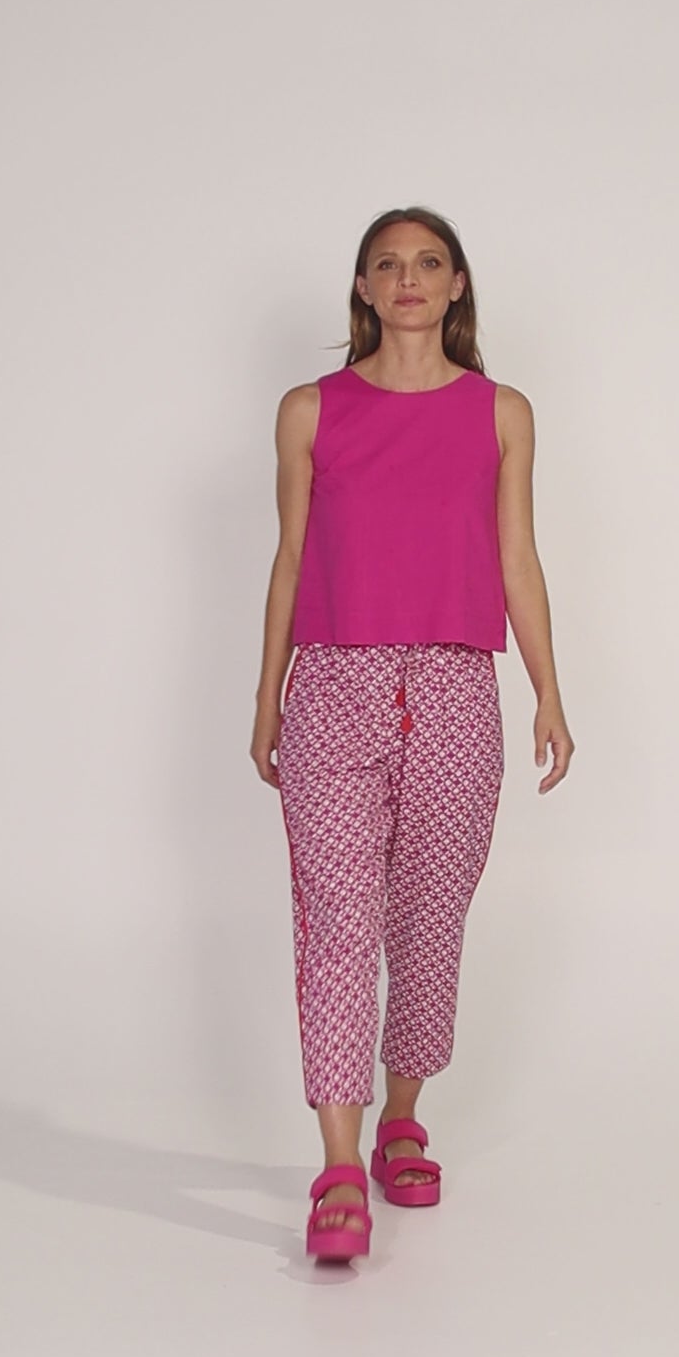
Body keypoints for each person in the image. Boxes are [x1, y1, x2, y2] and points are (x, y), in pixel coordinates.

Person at [250, 205, 574, 1262]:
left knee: (430, 920)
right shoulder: (311, 411)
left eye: (429, 262)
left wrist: (548, 692)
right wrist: (268, 698)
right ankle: (339, 1167)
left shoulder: (501, 413)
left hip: (454, 688)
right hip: (333, 688)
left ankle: (401, 1118)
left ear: (457, 285)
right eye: (387, 264)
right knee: (336, 924)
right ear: (362, 288)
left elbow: (518, 556)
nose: (408, 279)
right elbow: (291, 558)